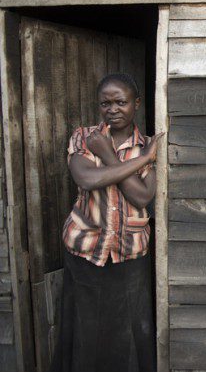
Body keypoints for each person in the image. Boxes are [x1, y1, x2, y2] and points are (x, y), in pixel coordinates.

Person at [49, 73, 163, 372]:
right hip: (86, 252)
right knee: (85, 332)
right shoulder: (85, 137)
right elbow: (86, 178)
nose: (113, 109)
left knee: (128, 332)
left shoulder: (145, 144)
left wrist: (109, 156)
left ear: (136, 104)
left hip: (129, 255)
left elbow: (142, 197)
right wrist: (141, 162)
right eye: (105, 103)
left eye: (121, 102)